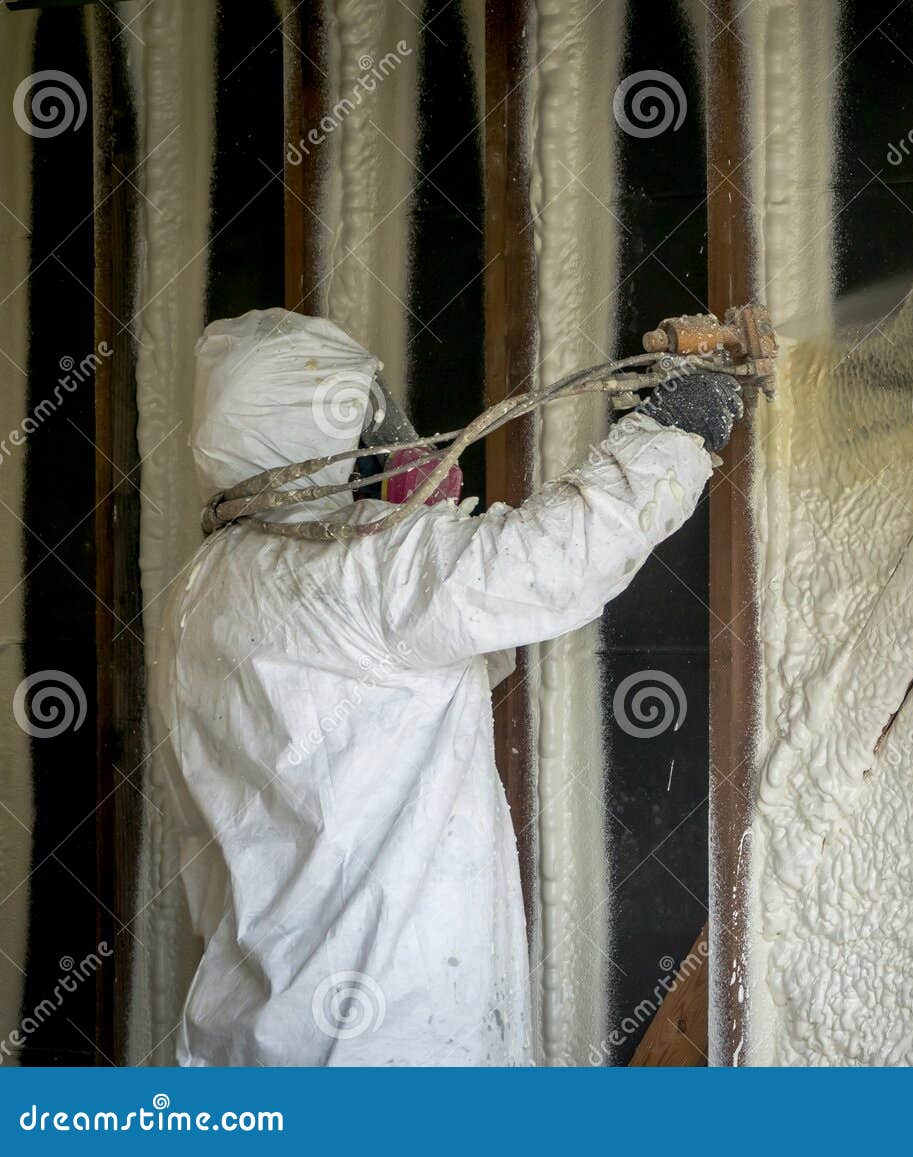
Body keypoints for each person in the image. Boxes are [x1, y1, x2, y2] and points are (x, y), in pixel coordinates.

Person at [151, 309, 741, 1065]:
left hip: (253, 1037)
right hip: (390, 1046)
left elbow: (422, 668)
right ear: (318, 430)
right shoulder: (363, 566)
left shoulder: (200, 590)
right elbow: (554, 559)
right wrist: (678, 426)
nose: (395, 440)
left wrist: (411, 515)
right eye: (368, 418)